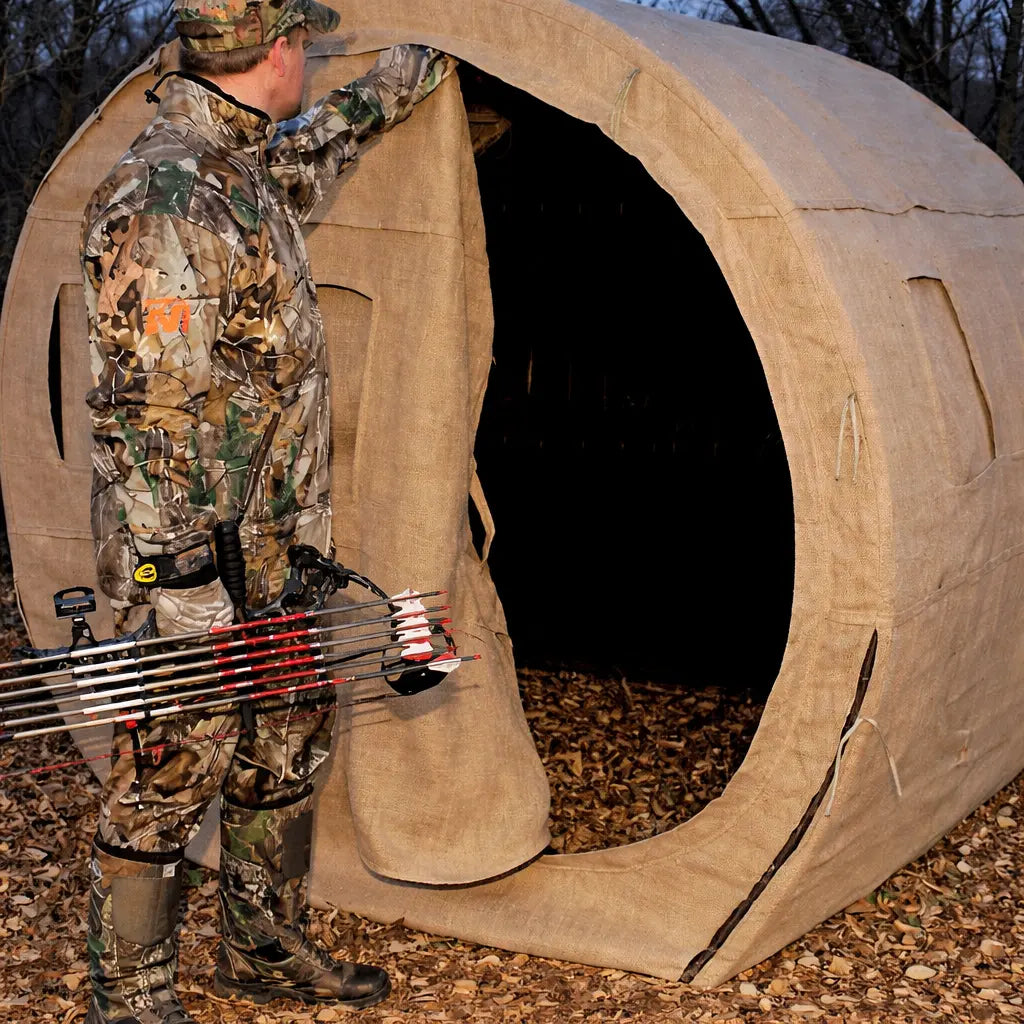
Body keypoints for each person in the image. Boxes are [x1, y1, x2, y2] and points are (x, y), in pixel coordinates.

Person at [79, 2, 455, 1020]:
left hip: (277, 554)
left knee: (287, 743)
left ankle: (264, 951)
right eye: (306, 44)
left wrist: (398, 86)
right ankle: (130, 993)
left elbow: (310, 152)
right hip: (197, 567)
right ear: (278, 49)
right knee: (171, 769)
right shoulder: (167, 197)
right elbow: (148, 414)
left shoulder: (236, 170)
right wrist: (184, 583)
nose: (310, 62)